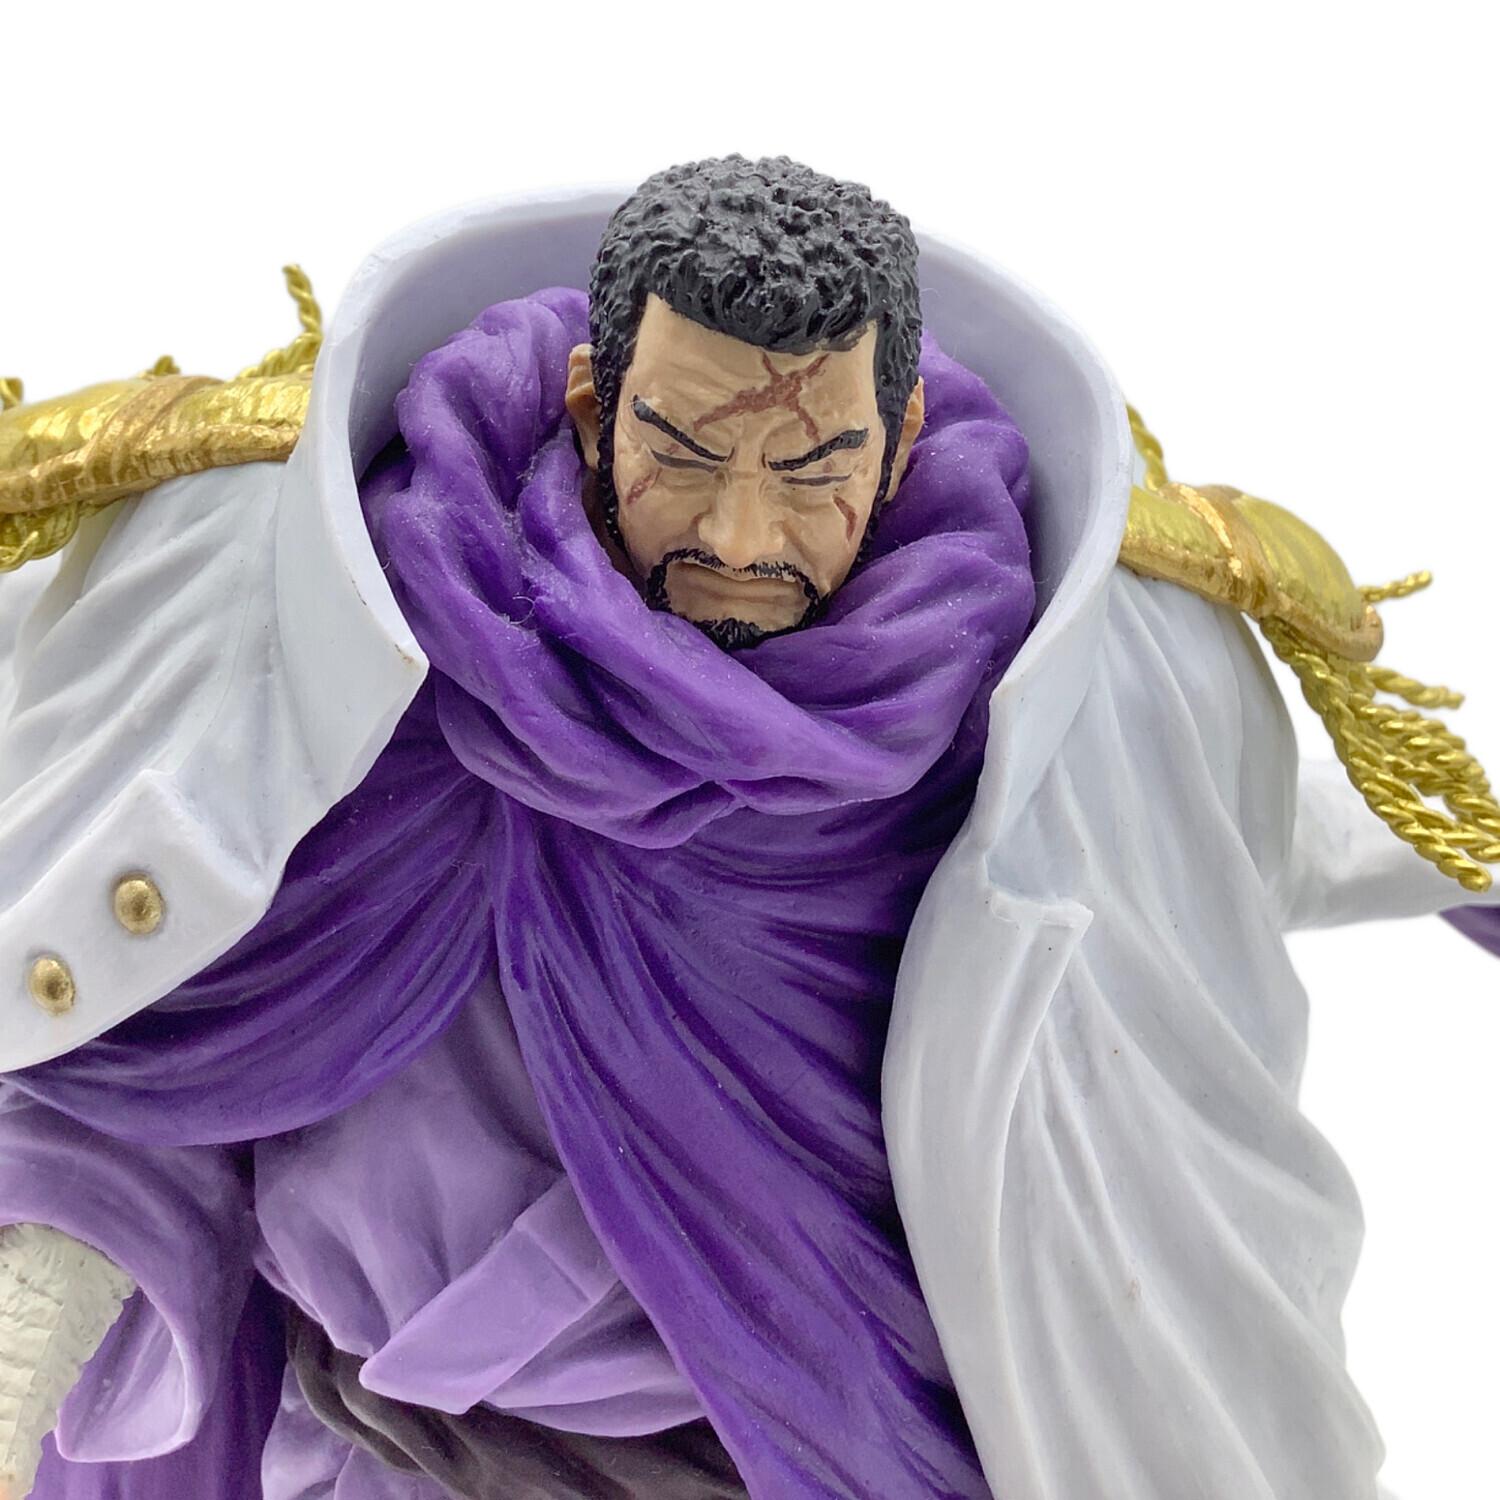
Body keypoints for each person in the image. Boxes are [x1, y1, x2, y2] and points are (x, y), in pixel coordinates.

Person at [0, 155, 1494, 1499]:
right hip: (368, 1453)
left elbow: (1219, 863)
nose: (737, 537)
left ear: (898, 446)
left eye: (810, 474)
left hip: (806, 1447)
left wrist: (1463, 857)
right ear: (590, 404)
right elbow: (138, 1055)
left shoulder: (1019, 727)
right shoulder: (383, 672)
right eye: (683, 453)